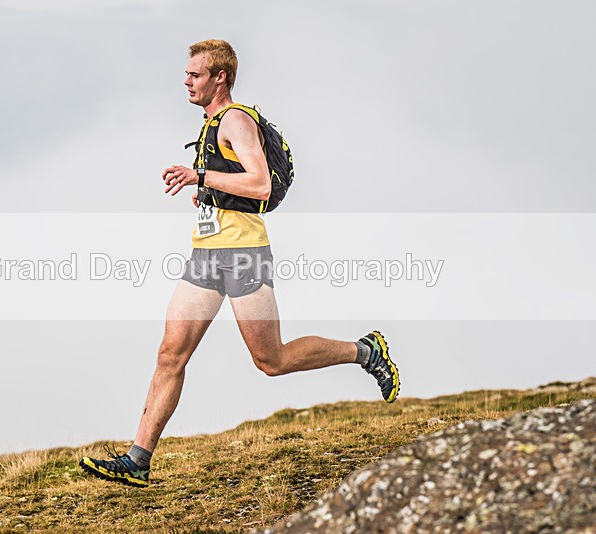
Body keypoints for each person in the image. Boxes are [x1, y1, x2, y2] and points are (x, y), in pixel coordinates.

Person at [80, 40, 399, 488]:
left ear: (219, 78)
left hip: (244, 253)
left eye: (195, 75)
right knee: (171, 353)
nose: (186, 81)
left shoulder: (235, 120)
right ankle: (139, 460)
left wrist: (202, 177)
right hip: (206, 254)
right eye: (186, 74)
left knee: (271, 360)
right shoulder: (212, 125)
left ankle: (365, 352)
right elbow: (237, 186)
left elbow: (262, 183)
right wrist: (208, 193)